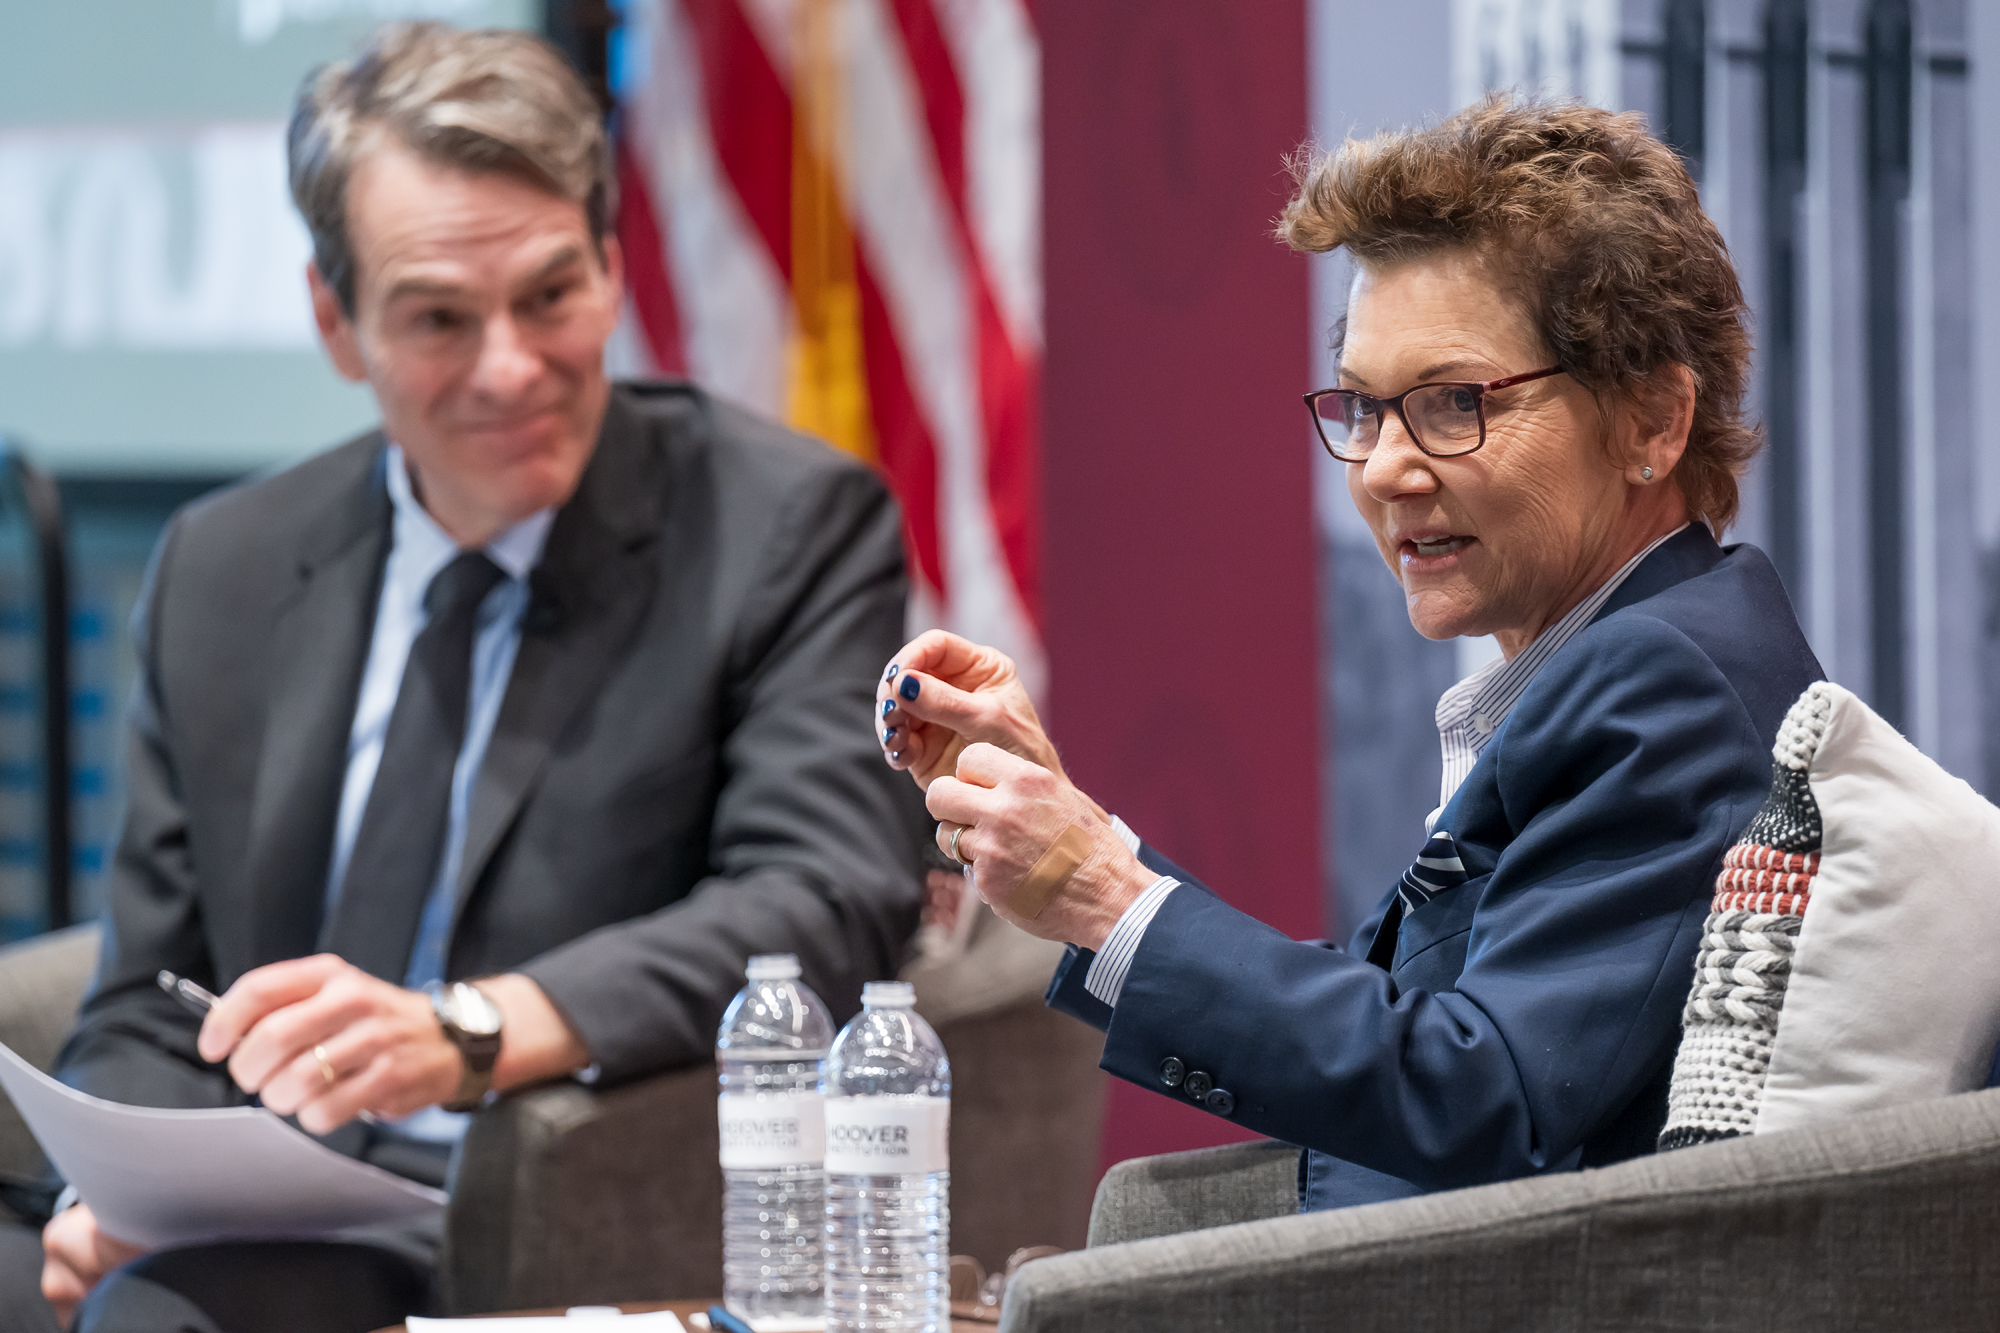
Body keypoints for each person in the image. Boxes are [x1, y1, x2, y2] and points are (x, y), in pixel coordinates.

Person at [0, 22, 921, 1333]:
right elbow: (148, 999)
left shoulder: (785, 528)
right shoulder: (225, 565)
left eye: (551, 295)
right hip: (250, 1203)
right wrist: (122, 1188)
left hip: (515, 1207)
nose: (511, 367)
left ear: (610, 265)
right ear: (336, 321)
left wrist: (476, 1029)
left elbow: (825, 896)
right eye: (438, 317)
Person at [877, 96, 1824, 1212]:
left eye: (1450, 404)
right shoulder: (1635, 652)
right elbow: (1405, 1026)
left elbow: (1484, 1099)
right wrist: (1083, 852)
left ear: (1652, 422)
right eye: (1363, 410)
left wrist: (1105, 893)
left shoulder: (1668, 687)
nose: (1381, 469)